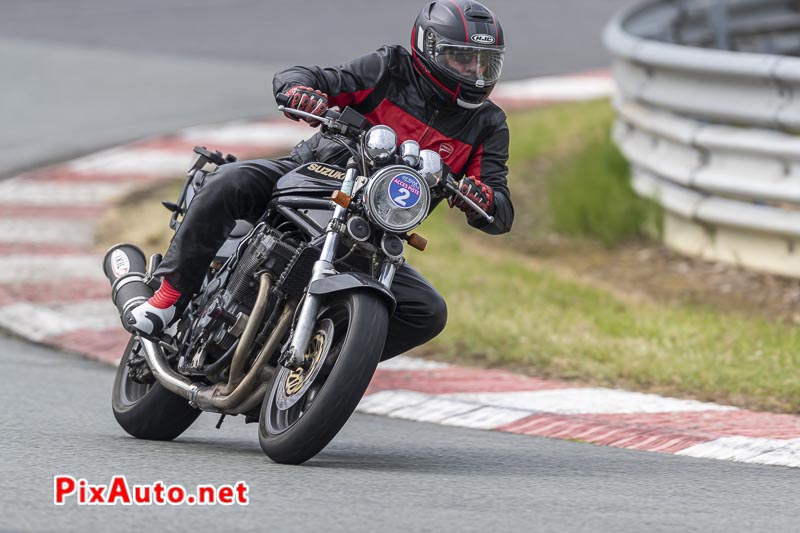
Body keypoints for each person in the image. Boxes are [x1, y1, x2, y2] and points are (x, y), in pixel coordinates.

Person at [125, 0, 514, 361]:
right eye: (462, 59)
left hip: (373, 231)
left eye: (483, 63)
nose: (474, 74)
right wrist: (301, 93)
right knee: (231, 179)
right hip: (310, 175)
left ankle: (323, 366)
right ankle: (169, 297)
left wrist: (480, 198)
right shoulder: (390, 68)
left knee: (427, 312)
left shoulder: (488, 124)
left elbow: (499, 207)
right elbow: (313, 77)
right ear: (429, 49)